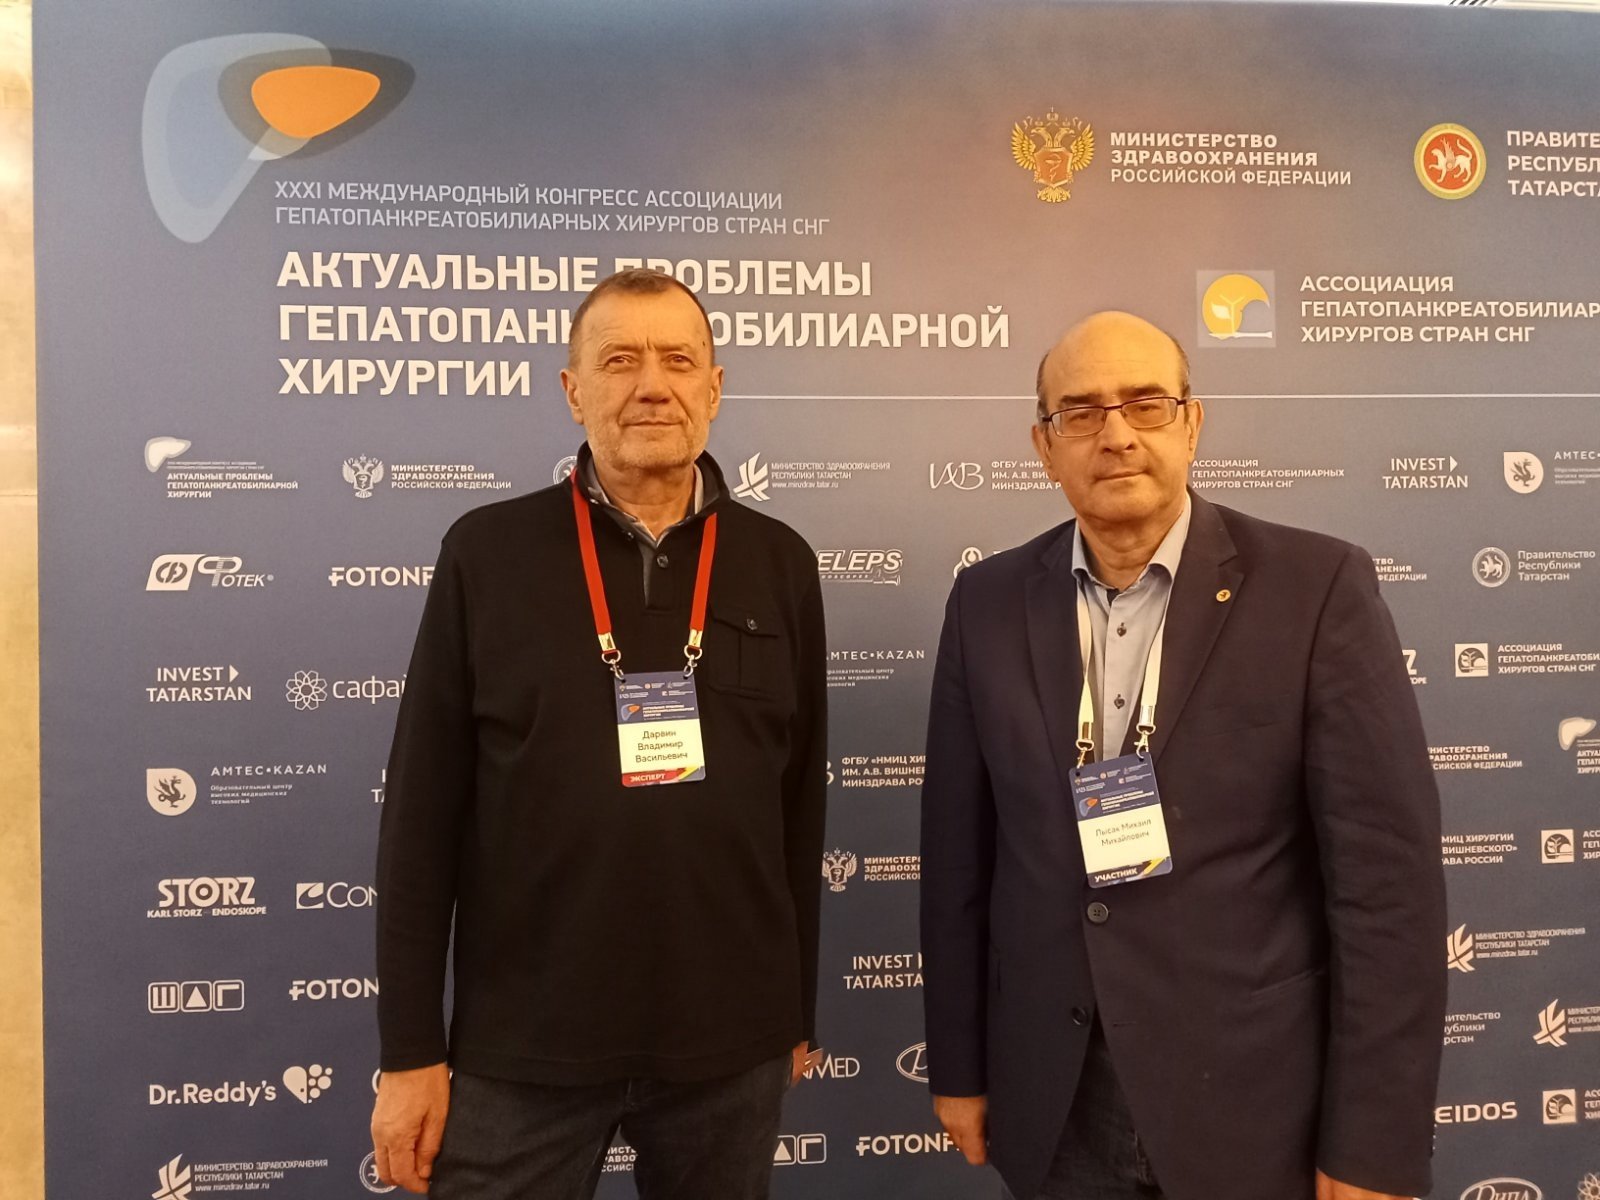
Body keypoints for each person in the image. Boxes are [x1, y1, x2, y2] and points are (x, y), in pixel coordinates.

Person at [920, 310, 1445, 1200]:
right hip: (1057, 1099)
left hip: (1256, 1105)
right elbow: (957, 861)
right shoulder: (986, 601)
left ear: (1192, 424)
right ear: (1044, 447)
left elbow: (1387, 890)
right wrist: (961, 1066)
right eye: (1081, 412)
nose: (1116, 434)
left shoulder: (1316, 589)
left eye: (1146, 404)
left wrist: (1373, 1143)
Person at [370, 268, 828, 1199]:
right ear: (573, 390)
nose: (652, 385)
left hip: (729, 1044)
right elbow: (419, 820)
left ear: (714, 387)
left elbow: (797, 811)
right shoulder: (485, 553)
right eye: (620, 360)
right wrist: (411, 1051)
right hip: (524, 1044)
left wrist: (791, 1011)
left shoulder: (781, 561)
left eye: (678, 361)